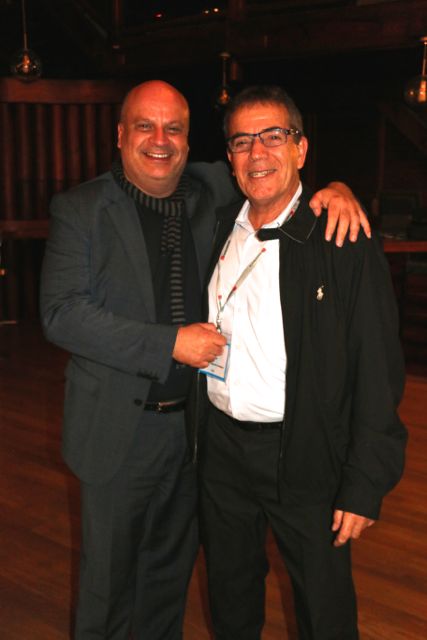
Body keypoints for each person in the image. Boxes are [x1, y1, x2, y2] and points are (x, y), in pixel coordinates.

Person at [40, 80, 369, 640]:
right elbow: (62, 315)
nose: (159, 140)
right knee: (107, 589)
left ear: (190, 143)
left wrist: (335, 189)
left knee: (168, 582)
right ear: (120, 135)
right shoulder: (81, 209)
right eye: (145, 126)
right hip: (116, 434)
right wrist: (169, 343)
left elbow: (275, 173)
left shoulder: (210, 190)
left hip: (194, 437)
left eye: (174, 128)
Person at [194, 85, 407, 640]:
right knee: (230, 596)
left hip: (306, 452)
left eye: (273, 136)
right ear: (229, 158)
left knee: (323, 608)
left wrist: (365, 482)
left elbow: (378, 369)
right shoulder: (217, 224)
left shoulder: (342, 237)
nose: (257, 152)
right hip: (222, 450)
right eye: (242, 141)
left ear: (301, 149)